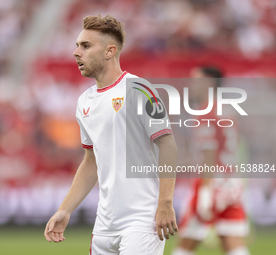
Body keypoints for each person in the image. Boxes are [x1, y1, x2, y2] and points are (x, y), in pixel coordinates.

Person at [44, 15, 178, 254]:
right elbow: (91, 162)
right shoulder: (84, 101)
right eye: (77, 45)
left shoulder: (140, 89)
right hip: (105, 224)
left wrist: (166, 203)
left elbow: (167, 145)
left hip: (142, 220)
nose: (76, 52)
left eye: (85, 46)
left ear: (109, 51)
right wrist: (65, 209)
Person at [172, 67, 250, 255]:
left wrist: (205, 191)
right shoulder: (228, 110)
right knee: (233, 243)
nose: (192, 85)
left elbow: (210, 154)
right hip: (231, 183)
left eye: (195, 80)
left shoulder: (205, 111)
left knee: (186, 244)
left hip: (211, 181)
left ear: (208, 83)